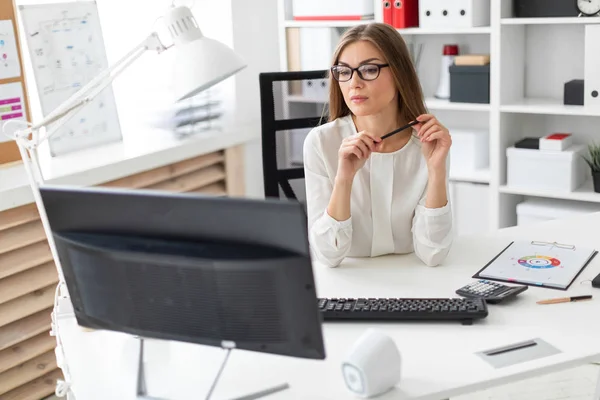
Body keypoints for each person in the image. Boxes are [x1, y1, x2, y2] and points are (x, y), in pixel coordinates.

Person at [303, 22, 453, 268]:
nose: (354, 83)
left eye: (369, 69)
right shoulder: (321, 143)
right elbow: (327, 255)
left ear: (399, 73)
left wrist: (436, 170)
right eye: (344, 71)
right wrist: (344, 178)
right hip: (348, 286)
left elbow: (433, 253)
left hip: (413, 283)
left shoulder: (429, 142)